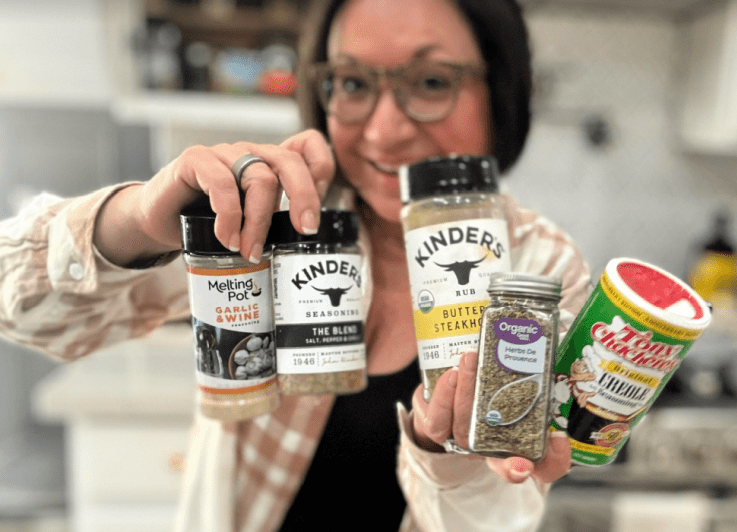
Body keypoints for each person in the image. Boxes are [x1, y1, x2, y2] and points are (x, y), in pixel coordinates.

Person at [0, 0, 592, 530]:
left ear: (502, 90)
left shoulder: (540, 271)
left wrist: (449, 459)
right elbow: (24, 312)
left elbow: (496, 518)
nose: (385, 130)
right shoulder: (279, 223)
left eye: (432, 80)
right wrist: (138, 219)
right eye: (354, 83)